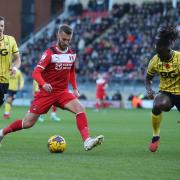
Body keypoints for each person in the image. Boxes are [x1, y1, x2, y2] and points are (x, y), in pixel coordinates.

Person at [0, 24, 104, 151]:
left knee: (80, 108)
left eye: (69, 40)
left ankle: (87, 141)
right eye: (64, 39)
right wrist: (44, 84)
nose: (66, 42)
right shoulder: (50, 53)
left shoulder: (72, 53)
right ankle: (2, 133)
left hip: (62, 92)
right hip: (46, 94)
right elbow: (35, 73)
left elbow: (71, 71)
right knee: (27, 123)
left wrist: (75, 88)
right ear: (58, 36)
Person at [145, 26, 180, 153]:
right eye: (157, 53)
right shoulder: (155, 60)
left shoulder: (179, 58)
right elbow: (148, 78)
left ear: (168, 49)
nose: (159, 56)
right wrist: (149, 90)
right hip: (166, 93)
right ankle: (155, 136)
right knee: (157, 105)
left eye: (162, 53)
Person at [0, 16, 21, 107]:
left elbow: (17, 58)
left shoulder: (11, 40)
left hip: (5, 80)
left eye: (1, 26)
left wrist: (15, 67)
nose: (0, 28)